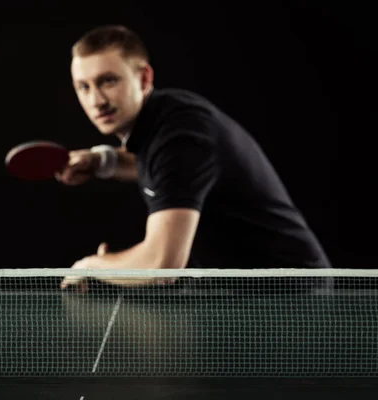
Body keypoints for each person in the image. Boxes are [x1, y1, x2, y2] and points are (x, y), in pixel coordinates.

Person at [58, 25, 331, 289]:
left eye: (108, 81)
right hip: (242, 292)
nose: (96, 100)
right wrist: (100, 161)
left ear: (143, 79)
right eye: (84, 87)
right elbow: (163, 169)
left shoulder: (181, 136)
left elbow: (162, 266)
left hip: (290, 296)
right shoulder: (164, 122)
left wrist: (91, 267)